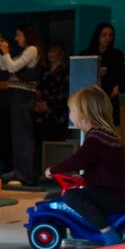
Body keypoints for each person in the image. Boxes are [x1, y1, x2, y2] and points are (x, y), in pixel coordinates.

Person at [43, 86, 125, 246]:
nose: (70, 115)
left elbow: (78, 160)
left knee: (71, 196)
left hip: (113, 196)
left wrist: (53, 169)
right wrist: (82, 178)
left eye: (72, 111)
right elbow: (103, 168)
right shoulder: (104, 135)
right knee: (53, 197)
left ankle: (107, 232)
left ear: (84, 114)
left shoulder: (96, 138)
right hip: (115, 192)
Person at [0, 24, 44, 186]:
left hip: (23, 95)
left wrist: (7, 53)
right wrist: (1, 52)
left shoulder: (32, 49)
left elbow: (12, 67)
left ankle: (25, 173)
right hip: (17, 95)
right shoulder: (25, 51)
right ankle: (19, 170)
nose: (17, 38)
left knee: (22, 133)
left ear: (27, 35)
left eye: (19, 35)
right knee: (17, 133)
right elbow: (5, 66)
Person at [33, 41, 71, 176]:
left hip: (57, 113)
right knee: (38, 144)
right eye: (50, 51)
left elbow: (65, 92)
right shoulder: (44, 70)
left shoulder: (66, 70)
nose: (52, 54)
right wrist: (37, 103)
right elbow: (38, 88)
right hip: (41, 115)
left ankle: (56, 174)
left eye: (55, 51)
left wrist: (49, 105)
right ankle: (39, 173)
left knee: (55, 144)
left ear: (62, 53)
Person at [79, 23, 125, 125]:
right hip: (91, 97)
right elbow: (80, 75)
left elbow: (122, 75)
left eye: (110, 35)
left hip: (110, 96)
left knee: (109, 125)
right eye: (104, 35)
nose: (107, 38)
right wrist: (95, 73)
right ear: (98, 36)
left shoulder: (117, 55)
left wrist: (117, 88)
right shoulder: (86, 54)